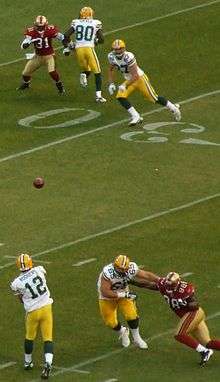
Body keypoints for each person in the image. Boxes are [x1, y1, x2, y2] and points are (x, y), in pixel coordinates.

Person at [132, 271, 220, 365]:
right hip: (190, 315)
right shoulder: (164, 284)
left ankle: (204, 351)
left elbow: (195, 305)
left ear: (178, 283)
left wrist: (186, 302)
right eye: (167, 284)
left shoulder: (184, 289)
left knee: (179, 334)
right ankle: (205, 350)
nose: (168, 287)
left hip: (194, 313)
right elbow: (150, 285)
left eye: (171, 285)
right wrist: (132, 281)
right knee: (208, 342)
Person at [108, 39, 181, 126]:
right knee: (120, 96)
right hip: (129, 80)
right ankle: (136, 116)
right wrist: (111, 83)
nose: (117, 51)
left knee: (153, 98)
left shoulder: (129, 56)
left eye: (119, 49)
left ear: (124, 48)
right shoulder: (111, 56)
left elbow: (135, 75)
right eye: (116, 49)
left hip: (139, 79)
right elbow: (111, 69)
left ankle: (173, 108)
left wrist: (124, 84)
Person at [97, 254, 159, 349]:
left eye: (123, 269)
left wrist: (160, 280)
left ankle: (137, 338)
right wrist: (124, 294)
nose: (120, 271)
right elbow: (105, 292)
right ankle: (123, 331)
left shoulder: (131, 268)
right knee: (110, 322)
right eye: (119, 268)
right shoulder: (108, 272)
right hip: (108, 298)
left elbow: (146, 275)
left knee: (131, 315)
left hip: (123, 293)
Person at [10, 253, 54, 379]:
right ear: (31, 263)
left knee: (30, 336)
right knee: (48, 338)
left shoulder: (16, 283)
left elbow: (20, 299)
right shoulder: (39, 270)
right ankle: (48, 362)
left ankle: (28, 361)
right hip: (46, 307)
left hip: (32, 311)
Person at [62, 6, 106, 103]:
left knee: (87, 69)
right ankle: (98, 96)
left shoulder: (76, 22)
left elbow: (65, 36)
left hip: (78, 50)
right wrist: (96, 41)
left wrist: (68, 46)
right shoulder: (96, 23)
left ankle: (83, 74)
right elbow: (102, 39)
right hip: (89, 49)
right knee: (97, 72)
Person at [17, 15, 65, 94]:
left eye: (42, 26)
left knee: (52, 71)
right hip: (37, 56)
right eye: (38, 26)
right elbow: (24, 44)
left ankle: (60, 86)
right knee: (25, 73)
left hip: (49, 56)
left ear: (46, 25)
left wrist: (67, 43)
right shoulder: (31, 31)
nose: (40, 28)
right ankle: (26, 84)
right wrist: (25, 44)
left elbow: (62, 37)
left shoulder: (50, 30)